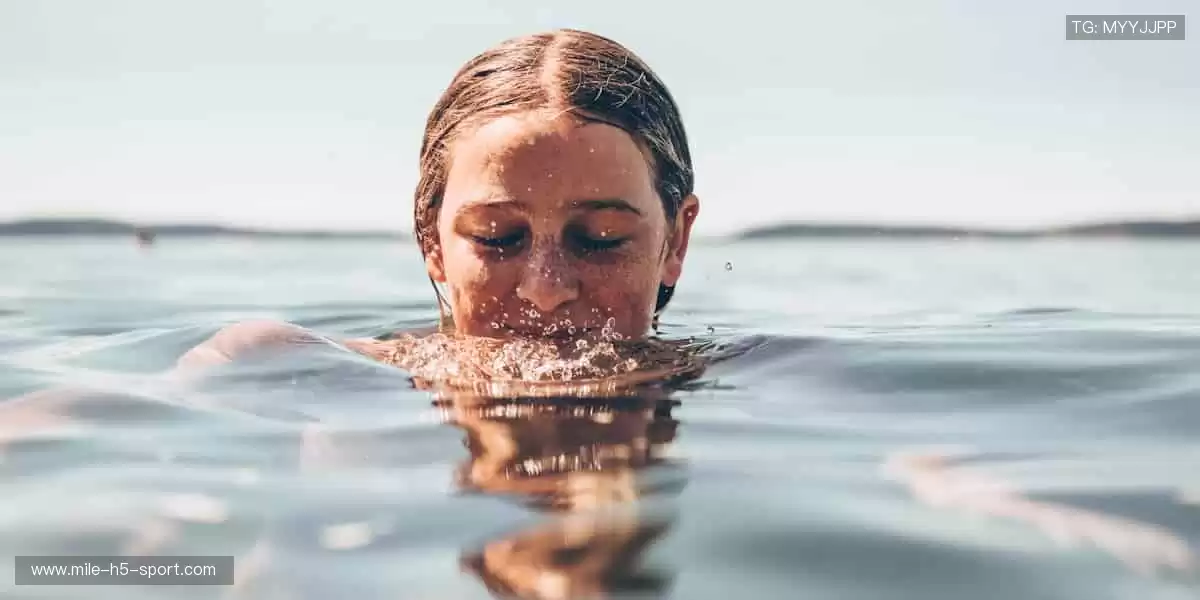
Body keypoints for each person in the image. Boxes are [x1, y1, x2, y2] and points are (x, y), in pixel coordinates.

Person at [176, 28, 701, 375]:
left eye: (599, 238)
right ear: (432, 242)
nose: (546, 289)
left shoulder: (757, 382)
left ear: (675, 240)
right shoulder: (284, 366)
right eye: (497, 238)